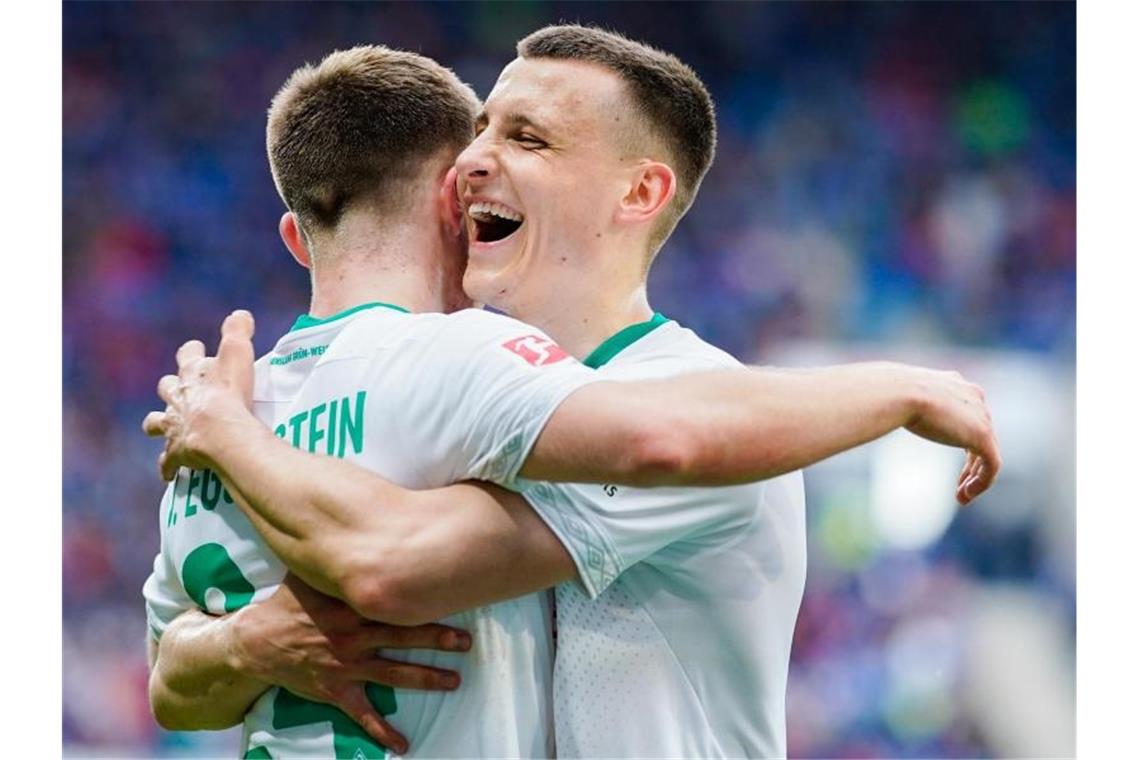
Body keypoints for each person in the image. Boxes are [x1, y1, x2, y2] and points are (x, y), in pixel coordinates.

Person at [144, 33, 999, 759]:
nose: (472, 161)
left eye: (528, 139)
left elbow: (390, 562)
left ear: (640, 192)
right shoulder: (466, 388)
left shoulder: (707, 415)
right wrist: (244, 642)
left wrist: (228, 433)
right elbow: (170, 677)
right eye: (478, 132)